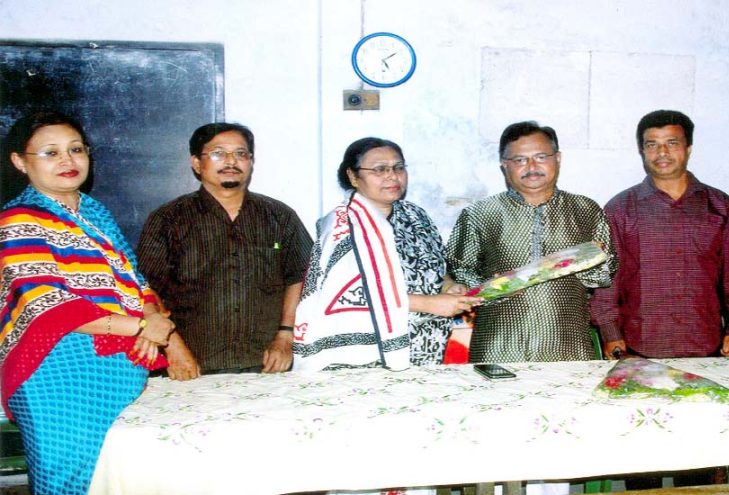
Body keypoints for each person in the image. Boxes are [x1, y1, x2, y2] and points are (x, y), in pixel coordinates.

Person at [0, 111, 174, 494]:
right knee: (69, 478)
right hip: (55, 371)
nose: (68, 160)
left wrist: (151, 317)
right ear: (19, 161)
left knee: (121, 476)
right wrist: (144, 327)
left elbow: (133, 279)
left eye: (76, 149)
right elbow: (47, 302)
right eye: (51, 152)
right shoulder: (20, 219)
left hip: (119, 363)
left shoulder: (95, 213)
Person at [137, 123, 313, 378]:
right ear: (197, 163)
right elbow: (146, 288)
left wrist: (286, 336)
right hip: (191, 362)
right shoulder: (168, 219)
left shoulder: (279, 216)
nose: (231, 161)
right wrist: (173, 347)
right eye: (218, 153)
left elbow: (301, 276)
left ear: (251, 163)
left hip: (266, 362)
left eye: (241, 154)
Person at [292, 137, 479, 372]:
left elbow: (436, 267)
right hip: (368, 352)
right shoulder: (342, 226)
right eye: (380, 169)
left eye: (399, 168)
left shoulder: (415, 215)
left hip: (427, 345)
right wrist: (430, 303)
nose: (392, 176)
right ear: (352, 176)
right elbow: (350, 297)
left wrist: (447, 287)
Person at [589, 110, 729, 361]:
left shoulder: (721, 206)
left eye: (672, 143)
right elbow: (607, 279)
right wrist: (610, 332)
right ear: (642, 151)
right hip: (638, 346)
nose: (662, 153)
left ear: (688, 148)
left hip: (706, 343)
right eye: (652, 144)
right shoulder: (620, 208)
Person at [446, 121, 615, 363]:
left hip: (568, 343)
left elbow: (606, 273)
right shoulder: (480, 214)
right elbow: (458, 269)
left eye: (540, 157)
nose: (532, 167)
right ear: (505, 165)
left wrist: (583, 261)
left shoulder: (585, 210)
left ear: (557, 158)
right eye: (520, 160)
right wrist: (493, 287)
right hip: (498, 343)